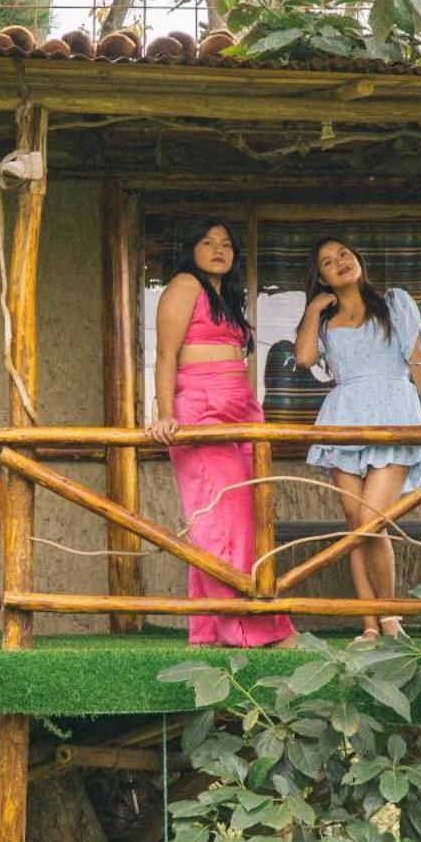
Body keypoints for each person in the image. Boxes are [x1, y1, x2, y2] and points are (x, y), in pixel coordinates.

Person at [294, 236, 421, 637]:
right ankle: (369, 624)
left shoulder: (394, 303)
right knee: (355, 525)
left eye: (344, 253)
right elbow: (304, 358)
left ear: (358, 257)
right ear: (322, 278)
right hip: (344, 416)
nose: (340, 262)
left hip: (394, 410)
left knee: (371, 521)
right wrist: (314, 309)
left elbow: (418, 360)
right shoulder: (325, 319)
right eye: (328, 262)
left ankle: (389, 616)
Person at [145, 221, 295, 647]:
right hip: (202, 408)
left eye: (226, 244)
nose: (218, 250)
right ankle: (251, 627)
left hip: (240, 408)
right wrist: (165, 415)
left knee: (239, 518)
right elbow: (165, 356)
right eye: (208, 242)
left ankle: (210, 628)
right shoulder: (184, 284)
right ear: (190, 249)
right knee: (221, 520)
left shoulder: (226, 298)